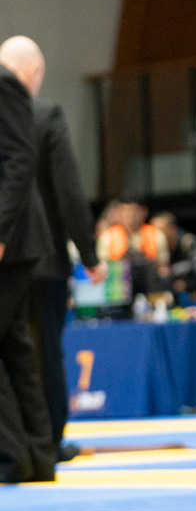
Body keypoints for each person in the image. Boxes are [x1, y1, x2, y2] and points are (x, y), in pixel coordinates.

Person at [29, 97, 107, 463]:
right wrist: (88, 255)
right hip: (41, 259)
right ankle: (48, 442)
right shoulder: (45, 117)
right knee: (45, 352)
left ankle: (17, 441)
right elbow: (68, 190)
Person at [0, 35, 56, 483]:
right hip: (15, 238)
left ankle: (13, 458)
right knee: (15, 346)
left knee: (14, 345)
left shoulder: (4, 83)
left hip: (10, 238)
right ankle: (37, 457)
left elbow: (20, 160)